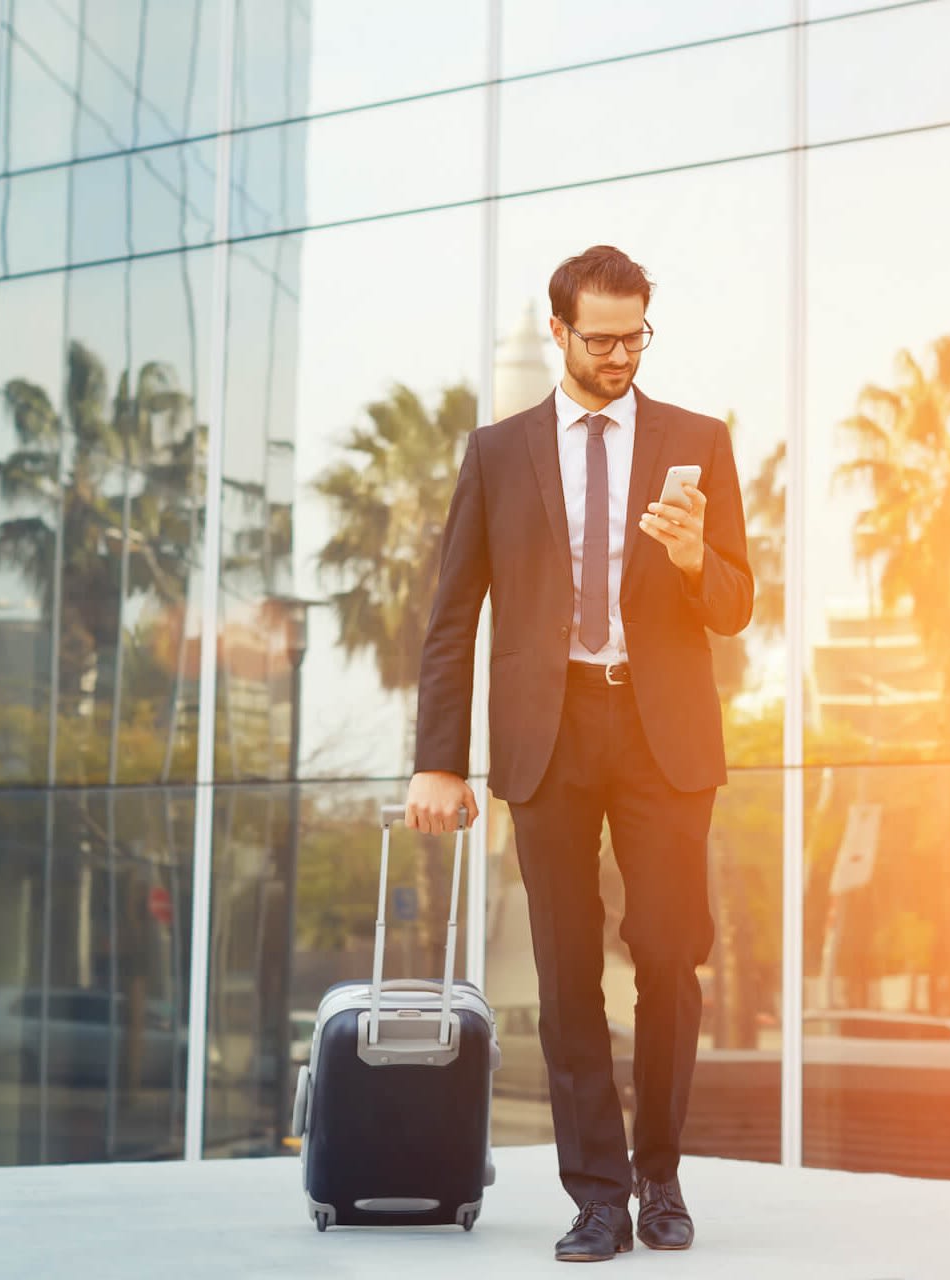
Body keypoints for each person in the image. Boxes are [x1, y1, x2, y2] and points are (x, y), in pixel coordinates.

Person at [405, 245, 753, 1262]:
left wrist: (693, 559)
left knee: (666, 954)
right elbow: (449, 617)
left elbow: (734, 605)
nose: (617, 354)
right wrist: (438, 757)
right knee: (563, 973)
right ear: (557, 331)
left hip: (661, 736)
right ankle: (596, 1192)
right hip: (546, 733)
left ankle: (659, 1172)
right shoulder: (499, 451)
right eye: (598, 337)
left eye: (633, 334)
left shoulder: (699, 439)